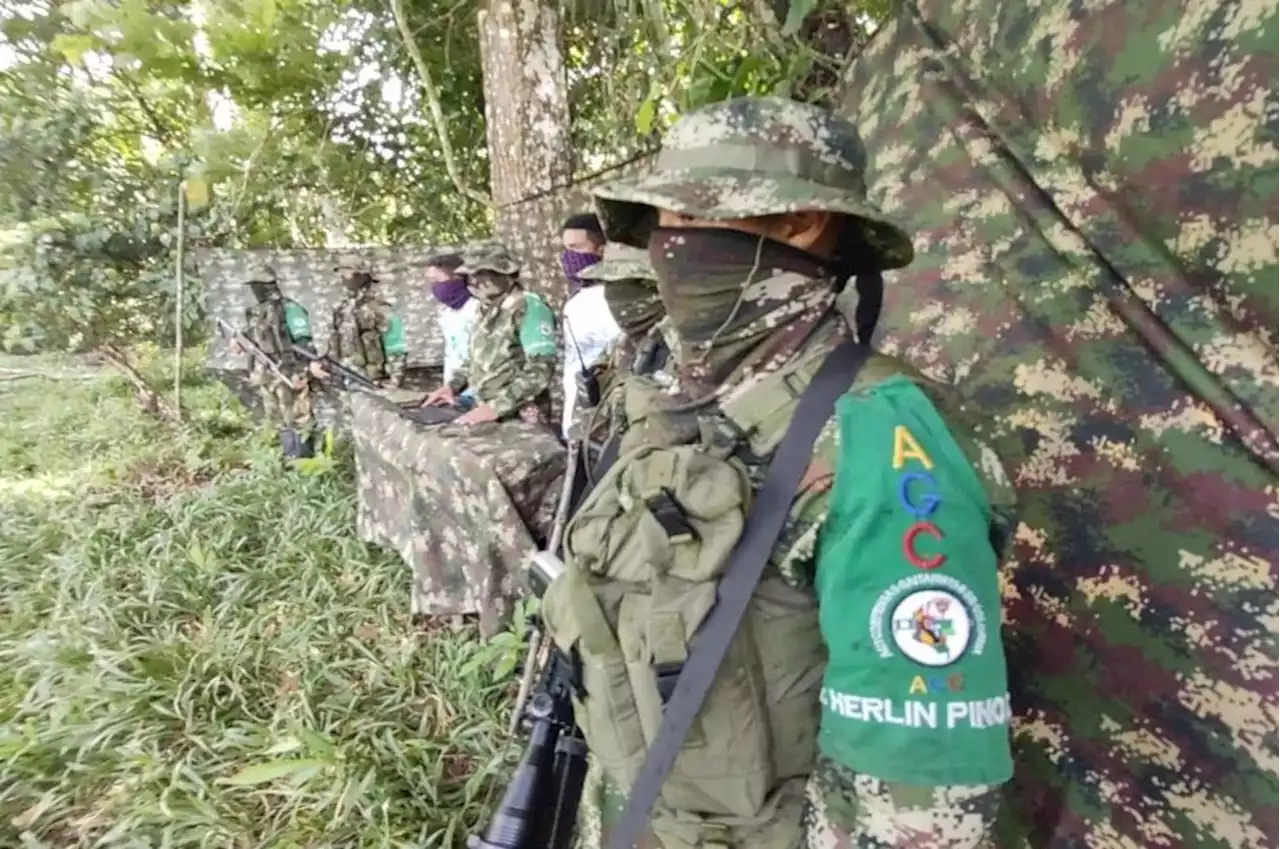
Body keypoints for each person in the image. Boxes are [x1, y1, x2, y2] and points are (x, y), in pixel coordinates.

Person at [541, 96, 1018, 849]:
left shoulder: (875, 436)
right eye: (667, 219)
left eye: (701, 217)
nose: (672, 244)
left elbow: (917, 809)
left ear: (803, 224)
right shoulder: (667, 397)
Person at [421, 243, 557, 427]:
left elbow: (540, 369)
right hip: (484, 410)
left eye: (482, 275)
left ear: (504, 274)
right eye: (470, 276)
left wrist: (496, 407)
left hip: (520, 414)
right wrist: (451, 387)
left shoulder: (527, 307)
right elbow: (474, 359)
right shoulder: (483, 308)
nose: (474, 282)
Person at [231, 263, 317, 459]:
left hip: (288, 371)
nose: (254, 290)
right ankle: (289, 458)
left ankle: (303, 463)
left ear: (269, 285)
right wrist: (237, 341)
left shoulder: (290, 309)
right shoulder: (254, 312)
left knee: (299, 417)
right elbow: (251, 336)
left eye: (257, 285)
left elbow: (304, 343)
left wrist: (303, 372)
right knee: (277, 418)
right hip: (266, 374)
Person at [559, 213, 622, 439]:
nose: (568, 256)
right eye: (566, 248)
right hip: (576, 422)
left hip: (607, 425)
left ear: (602, 249)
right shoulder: (575, 303)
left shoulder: (621, 299)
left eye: (576, 247)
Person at [308, 260, 408, 388]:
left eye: (348, 272)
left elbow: (396, 347)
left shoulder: (380, 309)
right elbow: (335, 347)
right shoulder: (341, 309)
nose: (343, 277)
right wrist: (320, 363)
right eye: (342, 273)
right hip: (344, 381)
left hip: (373, 383)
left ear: (362, 275)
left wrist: (395, 380)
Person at [425, 251, 479, 409]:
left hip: (478, 393)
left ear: (457, 278)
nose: (435, 287)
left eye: (437, 280)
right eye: (431, 281)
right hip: (453, 391)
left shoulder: (478, 310)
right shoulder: (446, 313)